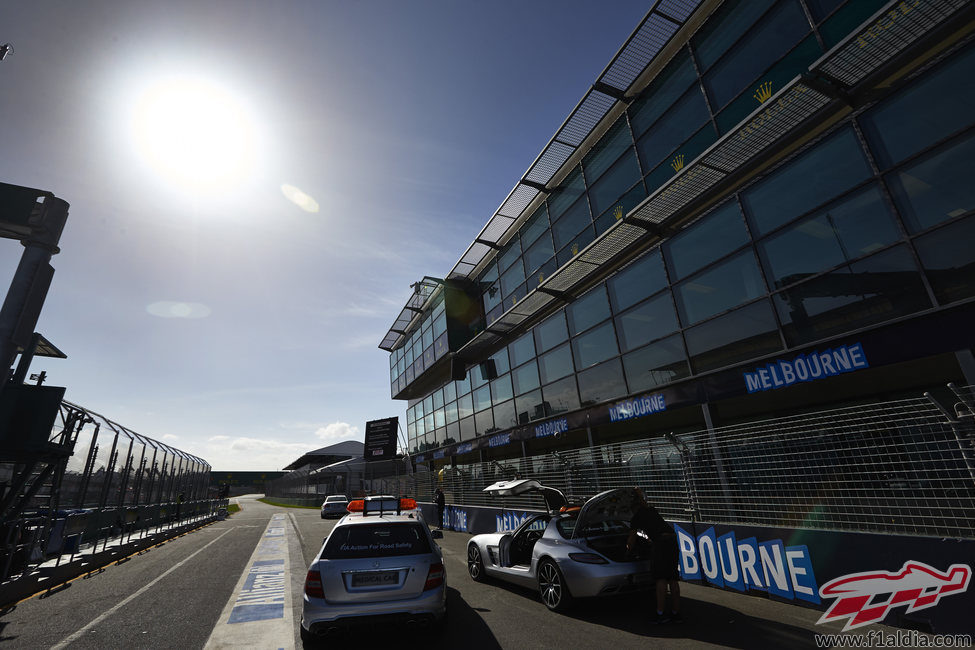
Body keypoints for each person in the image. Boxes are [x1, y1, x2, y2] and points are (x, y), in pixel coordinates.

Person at [627, 488, 681, 624]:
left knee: (661, 580)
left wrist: (628, 550)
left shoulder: (636, 517)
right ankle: (676, 614)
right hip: (672, 542)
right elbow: (644, 504)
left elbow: (631, 540)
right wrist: (638, 494)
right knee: (673, 579)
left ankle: (660, 614)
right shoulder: (651, 510)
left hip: (661, 544)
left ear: (633, 507)